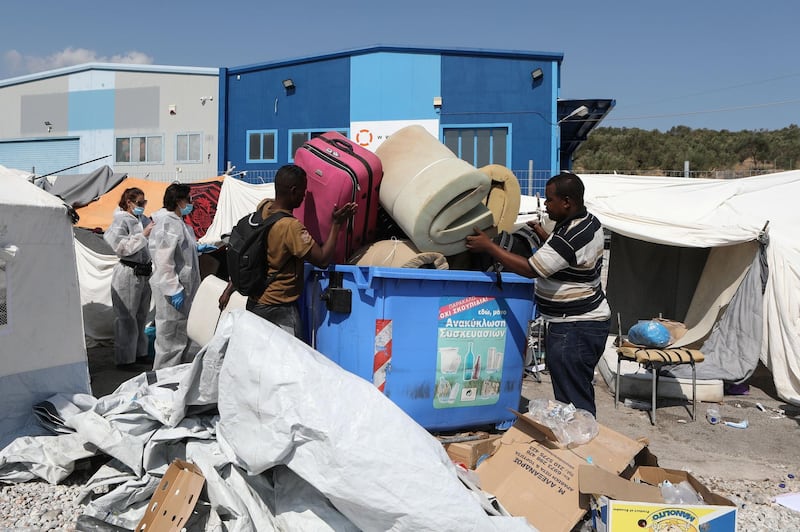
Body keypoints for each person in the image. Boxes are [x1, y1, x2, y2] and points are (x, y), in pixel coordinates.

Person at [465, 172, 610, 417]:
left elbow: (531, 269)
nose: (545, 204)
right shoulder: (589, 222)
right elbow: (567, 257)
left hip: (573, 329)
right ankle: (581, 445)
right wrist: (546, 238)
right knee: (577, 393)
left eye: (549, 199)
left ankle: (582, 449)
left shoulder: (568, 237)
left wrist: (489, 247)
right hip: (587, 323)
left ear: (566, 202)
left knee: (574, 403)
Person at [219, 164, 356, 339]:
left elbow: (250, 254)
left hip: (255, 303)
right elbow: (322, 260)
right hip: (279, 308)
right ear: (293, 191)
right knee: (291, 360)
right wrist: (336, 224)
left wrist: (229, 290)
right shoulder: (290, 227)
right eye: (302, 191)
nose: (304, 196)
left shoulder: (264, 207)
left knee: (256, 359)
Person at [149, 183, 202, 369]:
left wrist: (197, 250)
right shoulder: (167, 223)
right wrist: (173, 289)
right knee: (170, 342)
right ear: (179, 201)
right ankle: (162, 384)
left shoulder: (180, 224)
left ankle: (177, 382)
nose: (191, 203)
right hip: (174, 291)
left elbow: (180, 255)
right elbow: (164, 260)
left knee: (183, 339)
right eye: (189, 199)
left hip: (184, 289)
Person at [103, 187, 155, 369]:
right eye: (139, 203)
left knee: (141, 316)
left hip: (144, 272)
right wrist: (143, 235)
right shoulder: (121, 221)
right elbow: (120, 247)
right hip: (128, 272)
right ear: (129, 203)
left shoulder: (142, 219)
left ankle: (139, 353)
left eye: (144, 203)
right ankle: (125, 359)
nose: (142, 206)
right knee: (126, 317)